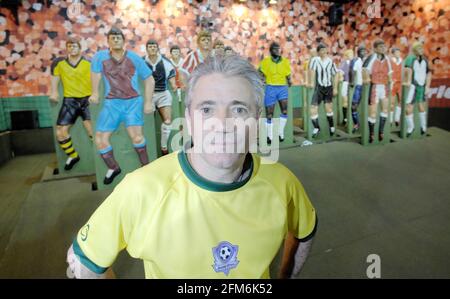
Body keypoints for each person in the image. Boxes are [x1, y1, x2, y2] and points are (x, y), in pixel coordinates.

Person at [66, 55, 317, 279]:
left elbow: (305, 231)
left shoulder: (282, 183)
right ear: (188, 118)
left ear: (257, 118)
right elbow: (82, 260)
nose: (223, 124)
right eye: (207, 109)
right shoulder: (141, 189)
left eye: (239, 109)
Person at [89, 27, 155, 184]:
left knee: (137, 137)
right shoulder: (99, 57)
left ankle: (146, 168)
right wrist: (95, 93)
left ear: (123, 40)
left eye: (119, 37)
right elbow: (95, 74)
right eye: (113, 37)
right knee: (99, 139)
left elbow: (149, 79)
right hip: (112, 103)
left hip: (132, 102)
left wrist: (148, 102)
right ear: (108, 41)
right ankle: (113, 167)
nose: (116, 39)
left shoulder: (134, 58)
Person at [49, 36, 93, 170]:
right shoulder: (59, 63)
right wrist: (54, 92)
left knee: (93, 132)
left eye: (75, 45)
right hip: (70, 101)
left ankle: (102, 159)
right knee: (60, 131)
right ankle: (73, 155)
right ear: (66, 48)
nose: (72, 48)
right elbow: (55, 78)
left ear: (80, 48)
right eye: (69, 46)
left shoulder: (89, 62)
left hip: (87, 100)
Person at [143, 40, 177, 156]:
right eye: (150, 46)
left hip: (163, 93)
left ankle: (164, 147)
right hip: (148, 95)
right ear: (147, 48)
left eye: (154, 46)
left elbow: (172, 74)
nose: (152, 48)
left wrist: (173, 84)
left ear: (157, 48)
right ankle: (149, 149)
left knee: (167, 121)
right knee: (148, 124)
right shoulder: (142, 61)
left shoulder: (164, 61)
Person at [258, 42, 292, 144]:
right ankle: (270, 136)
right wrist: (261, 79)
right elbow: (260, 72)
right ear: (271, 50)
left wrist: (290, 81)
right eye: (276, 49)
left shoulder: (285, 61)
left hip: (282, 88)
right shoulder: (266, 61)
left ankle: (280, 133)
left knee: (284, 111)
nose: (278, 51)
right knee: (269, 114)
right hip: (270, 88)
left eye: (279, 49)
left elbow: (288, 74)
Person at [364, 40, 392, 143]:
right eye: (380, 47)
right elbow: (364, 69)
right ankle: (371, 133)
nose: (383, 48)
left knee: (385, 110)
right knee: (373, 113)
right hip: (374, 87)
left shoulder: (387, 59)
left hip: (384, 87)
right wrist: (366, 79)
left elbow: (390, 73)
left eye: (384, 46)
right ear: (375, 48)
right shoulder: (371, 58)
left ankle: (381, 131)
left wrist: (390, 82)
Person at [309, 43, 338, 138]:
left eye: (324, 49)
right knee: (313, 108)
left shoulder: (331, 61)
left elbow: (335, 74)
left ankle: (332, 127)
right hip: (319, 87)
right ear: (318, 52)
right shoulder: (315, 60)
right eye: (321, 50)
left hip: (328, 87)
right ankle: (317, 127)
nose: (323, 51)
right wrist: (311, 83)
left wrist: (335, 88)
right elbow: (312, 71)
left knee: (328, 108)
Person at [404, 41, 432, 137]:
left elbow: (429, 73)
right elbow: (408, 70)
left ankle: (423, 127)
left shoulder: (425, 60)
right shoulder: (410, 59)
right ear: (414, 50)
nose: (421, 50)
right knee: (408, 108)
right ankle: (410, 127)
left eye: (422, 48)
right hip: (413, 86)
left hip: (422, 86)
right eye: (419, 48)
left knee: (421, 106)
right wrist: (408, 81)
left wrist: (427, 86)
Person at [348, 46, 366, 133]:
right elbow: (352, 71)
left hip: (367, 87)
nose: (363, 53)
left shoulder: (368, 61)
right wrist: (351, 81)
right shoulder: (356, 61)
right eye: (361, 51)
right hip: (359, 86)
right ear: (358, 53)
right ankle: (356, 124)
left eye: (364, 51)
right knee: (354, 106)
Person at [338, 49, 353, 126]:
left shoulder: (354, 63)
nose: (352, 56)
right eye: (350, 54)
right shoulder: (344, 63)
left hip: (352, 84)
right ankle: (345, 118)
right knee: (345, 101)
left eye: (352, 54)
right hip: (345, 83)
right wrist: (340, 77)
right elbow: (340, 73)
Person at [390, 47, 403, 127]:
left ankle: (397, 118)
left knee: (400, 101)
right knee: (392, 102)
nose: (398, 54)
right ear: (393, 53)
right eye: (397, 52)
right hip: (393, 83)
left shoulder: (402, 61)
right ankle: (391, 120)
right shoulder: (390, 61)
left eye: (399, 52)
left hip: (400, 83)